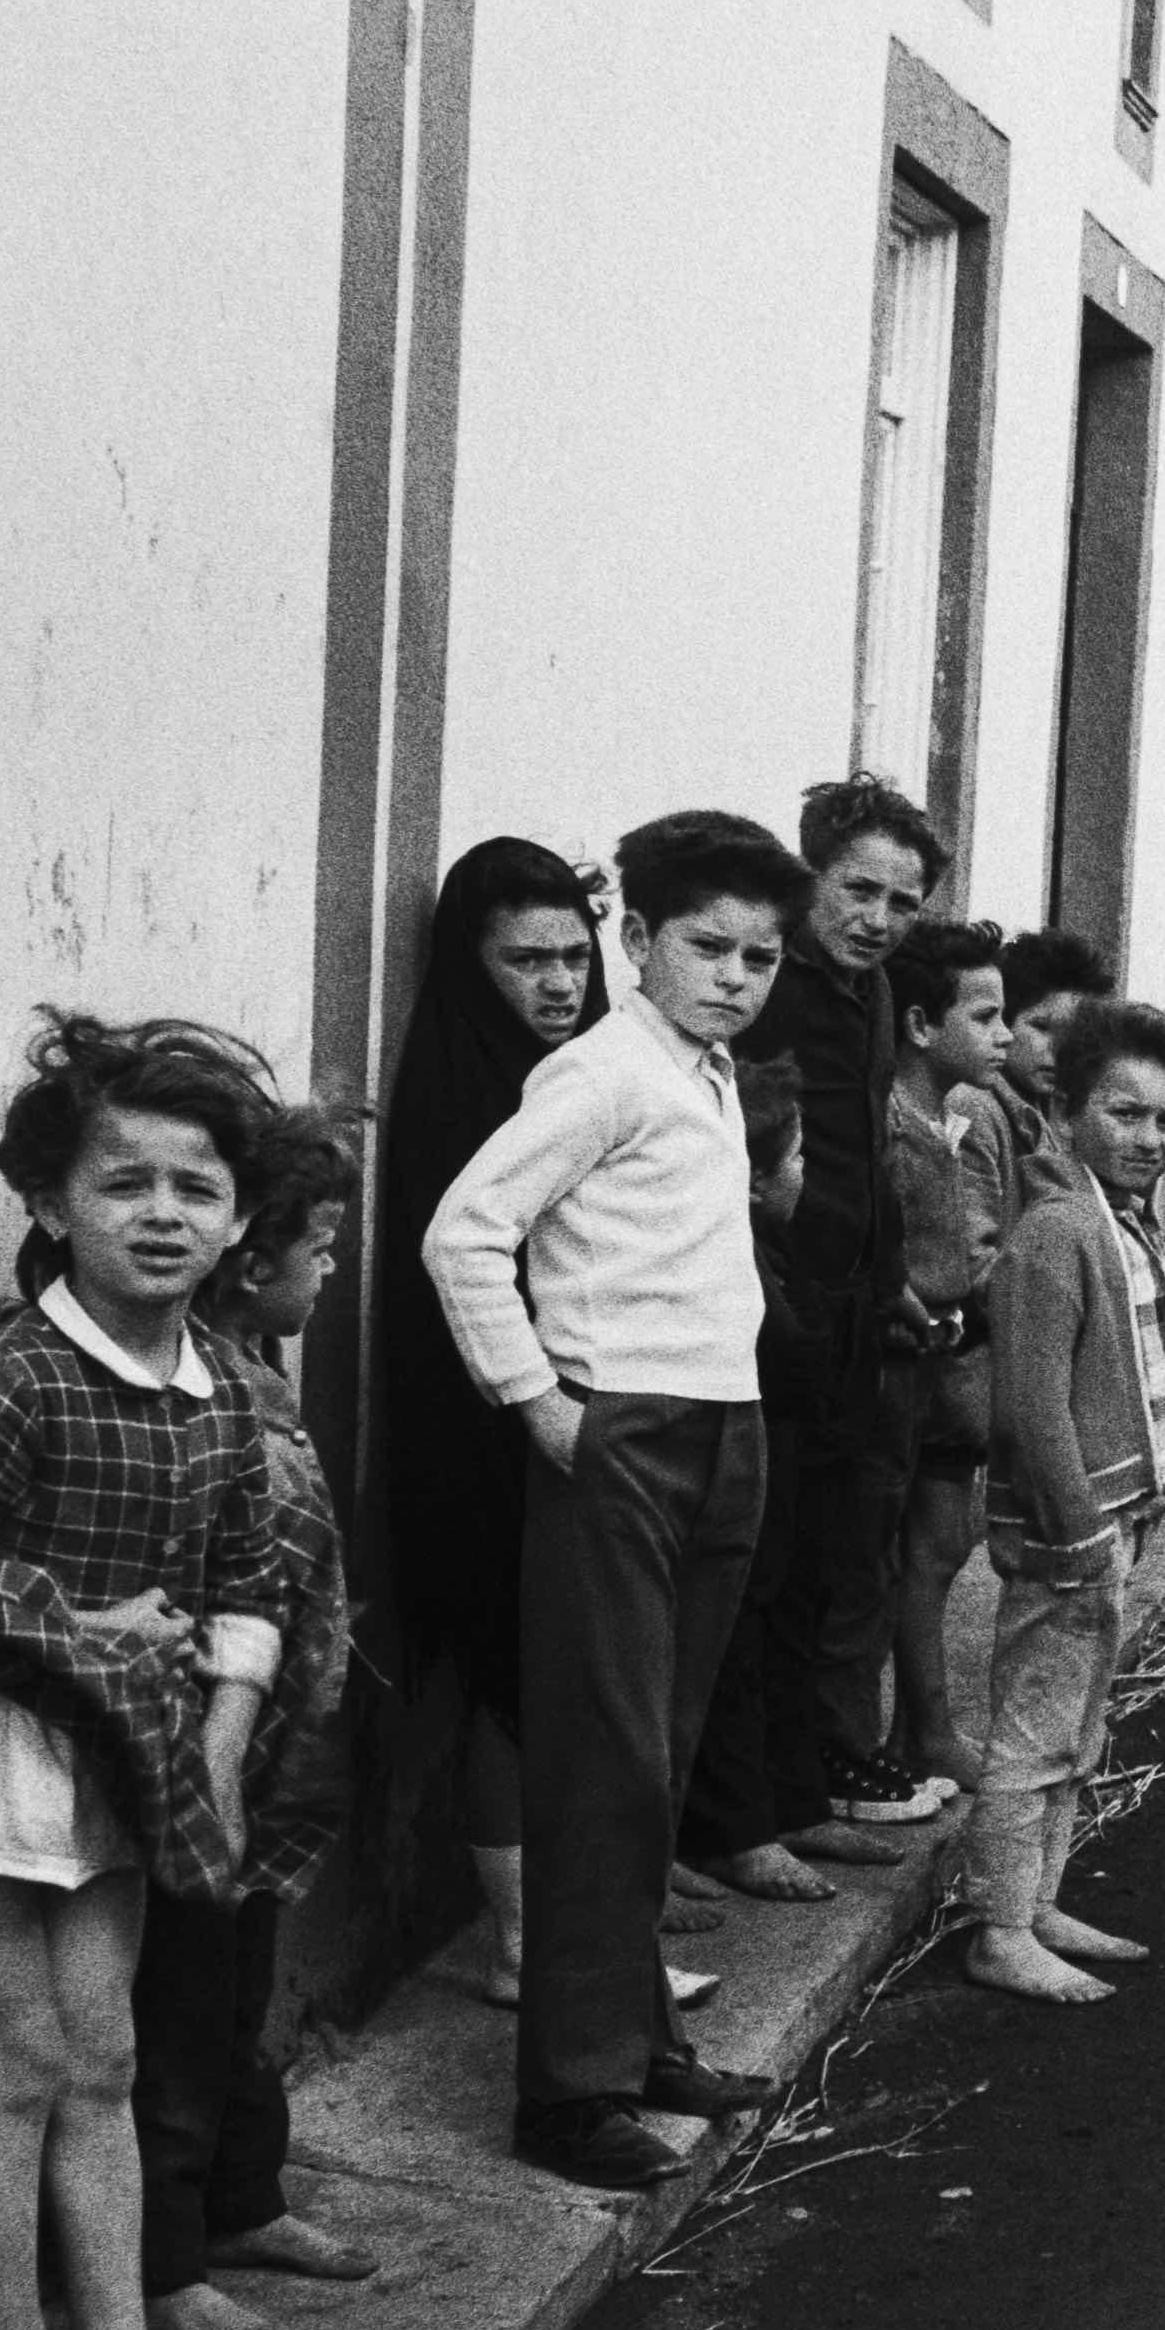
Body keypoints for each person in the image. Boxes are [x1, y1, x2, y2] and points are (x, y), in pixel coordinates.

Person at [0, 1016, 331, 2330]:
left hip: (117, 1760)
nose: (162, 1215)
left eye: (196, 1190)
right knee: (13, 2064)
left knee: (108, 2061)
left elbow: (255, 1581)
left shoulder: (221, 1391)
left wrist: (219, 1739)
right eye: (123, 1184)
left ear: (242, 1217)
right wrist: (83, 1620)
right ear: (53, 1203)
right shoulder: (18, 1376)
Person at [424, 810, 804, 2192]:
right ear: (634, 940)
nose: (737, 973)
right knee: (603, 1761)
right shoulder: (598, 1070)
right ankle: (568, 2094)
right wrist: (538, 1398)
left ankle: (635, 2039)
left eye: (762, 953)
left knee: (667, 1745)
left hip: (723, 1421)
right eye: (707, 945)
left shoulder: (703, 1070)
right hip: (620, 1430)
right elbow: (462, 1230)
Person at [132, 1090, 380, 2330]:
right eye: (321, 1248)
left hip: (272, 1745)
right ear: (251, 1260)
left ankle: (245, 2203)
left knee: (240, 2000)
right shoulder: (202, 1390)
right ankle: (163, 2268)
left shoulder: (255, 1376)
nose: (333, 1270)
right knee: (180, 2017)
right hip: (195, 1757)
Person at [369, 838, 617, 2011]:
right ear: (474, 969)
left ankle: (577, 1922)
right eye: (526, 961)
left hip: (587, 1414)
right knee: (513, 1679)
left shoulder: (594, 1078)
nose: (558, 985)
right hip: (489, 1431)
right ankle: (523, 1945)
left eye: (574, 957)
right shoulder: (460, 1093)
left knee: (576, 1679)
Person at [955, 1001, 1165, 2002]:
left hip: (1116, 1516)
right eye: (1123, 1113)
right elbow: (1030, 1407)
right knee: (1032, 1734)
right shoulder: (1057, 1233)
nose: (1148, 1138)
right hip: (1074, 1531)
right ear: (1064, 1110)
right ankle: (999, 1930)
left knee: (1077, 1724)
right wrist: (1076, 1539)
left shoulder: (1121, 1222)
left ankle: (1038, 1901)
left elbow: (1113, 1367)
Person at [744, 775, 948, 1853]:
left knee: (835, 1551)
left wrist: (886, 1286)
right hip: (772, 1313)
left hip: (848, 1313)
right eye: (856, 890)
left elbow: (862, 1153)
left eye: (901, 902)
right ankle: (773, 1801)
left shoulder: (865, 992)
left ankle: (812, 1780)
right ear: (811, 879)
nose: (876, 919)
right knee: (772, 1569)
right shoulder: (771, 984)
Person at [674, 1066, 849, 1911]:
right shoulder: (739, 1249)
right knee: (734, 1642)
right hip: (747, 1456)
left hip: (778, 1458)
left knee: (779, 1623)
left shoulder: (768, 1245)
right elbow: (788, 1352)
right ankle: (735, 1831)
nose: (804, 1172)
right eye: (797, 1157)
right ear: (750, 1180)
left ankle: (778, 1806)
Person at [883, 918, 1013, 1789]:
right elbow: (933, 1269)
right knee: (910, 1557)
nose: (1004, 1035)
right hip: (911, 1375)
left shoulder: (954, 1116)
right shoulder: (902, 1128)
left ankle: (924, 1728)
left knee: (938, 1545)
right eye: (987, 1016)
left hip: (945, 1377)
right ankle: (901, 1733)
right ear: (924, 1026)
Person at [986, 925, 1116, 1213]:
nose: (1058, 1050)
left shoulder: (1057, 1113)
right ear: (1003, 1021)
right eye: (1041, 1027)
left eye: (1075, 1034)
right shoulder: (978, 1109)